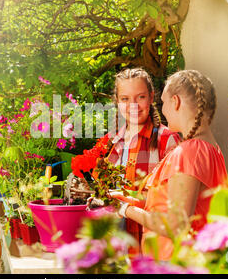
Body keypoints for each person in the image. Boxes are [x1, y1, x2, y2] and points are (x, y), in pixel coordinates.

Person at [110, 69, 228, 261]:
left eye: (163, 103)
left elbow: (176, 224)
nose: (162, 111)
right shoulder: (208, 148)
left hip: (174, 262)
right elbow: (166, 204)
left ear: (176, 102)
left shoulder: (190, 151)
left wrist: (125, 210)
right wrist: (126, 199)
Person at [75, 67, 180, 252]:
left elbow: (174, 201)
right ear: (117, 101)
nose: (133, 106)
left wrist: (126, 205)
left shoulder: (167, 139)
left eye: (140, 97)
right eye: (125, 99)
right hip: (117, 244)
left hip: (152, 247)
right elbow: (103, 191)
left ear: (152, 97)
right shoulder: (112, 141)